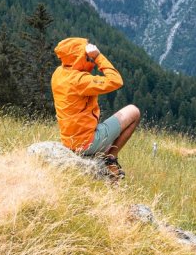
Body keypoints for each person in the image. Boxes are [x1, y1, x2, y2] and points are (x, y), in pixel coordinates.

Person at [51, 37, 141, 181]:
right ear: (78, 58)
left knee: (106, 127)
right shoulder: (80, 80)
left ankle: (105, 156)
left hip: (69, 141)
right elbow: (116, 81)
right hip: (86, 143)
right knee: (133, 111)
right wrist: (98, 56)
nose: (89, 58)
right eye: (86, 55)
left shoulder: (58, 74)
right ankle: (110, 159)